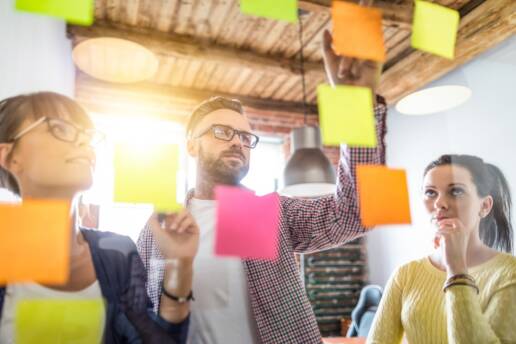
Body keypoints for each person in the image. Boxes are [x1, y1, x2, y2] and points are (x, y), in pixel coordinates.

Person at [137, 28, 387, 344]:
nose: (238, 143)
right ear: (191, 146)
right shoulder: (160, 228)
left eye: (245, 137)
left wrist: (356, 108)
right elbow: (141, 318)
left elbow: (356, 213)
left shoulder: (262, 214)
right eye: (221, 132)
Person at [0, 92, 198, 343]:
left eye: (86, 134)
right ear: (9, 157)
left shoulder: (118, 254)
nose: (84, 142)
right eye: (60, 128)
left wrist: (180, 265)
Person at [367, 155, 516, 343]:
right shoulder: (405, 274)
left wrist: (456, 270)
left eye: (456, 191)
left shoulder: (510, 274)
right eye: (430, 193)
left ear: (484, 206)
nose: (439, 203)